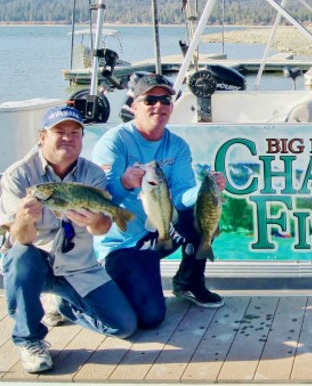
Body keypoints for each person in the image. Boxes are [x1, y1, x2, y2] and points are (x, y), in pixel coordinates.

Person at [0, 106, 137, 374]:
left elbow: (101, 228)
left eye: (75, 132)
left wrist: (94, 220)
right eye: (59, 132)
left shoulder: (93, 174)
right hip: (35, 264)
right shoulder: (18, 175)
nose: (68, 138)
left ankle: (64, 304)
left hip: (79, 267)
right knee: (19, 256)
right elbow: (20, 239)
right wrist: (24, 218)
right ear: (42, 136)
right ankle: (30, 340)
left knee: (124, 325)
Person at [91, 73, 226, 329]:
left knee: (203, 212)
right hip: (124, 243)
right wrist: (124, 183)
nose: (159, 106)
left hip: (160, 232)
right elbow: (102, 199)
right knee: (151, 317)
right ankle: (76, 297)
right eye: (150, 99)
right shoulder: (115, 142)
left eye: (165, 100)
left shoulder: (176, 145)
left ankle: (189, 282)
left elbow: (183, 195)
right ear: (134, 106)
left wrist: (205, 190)